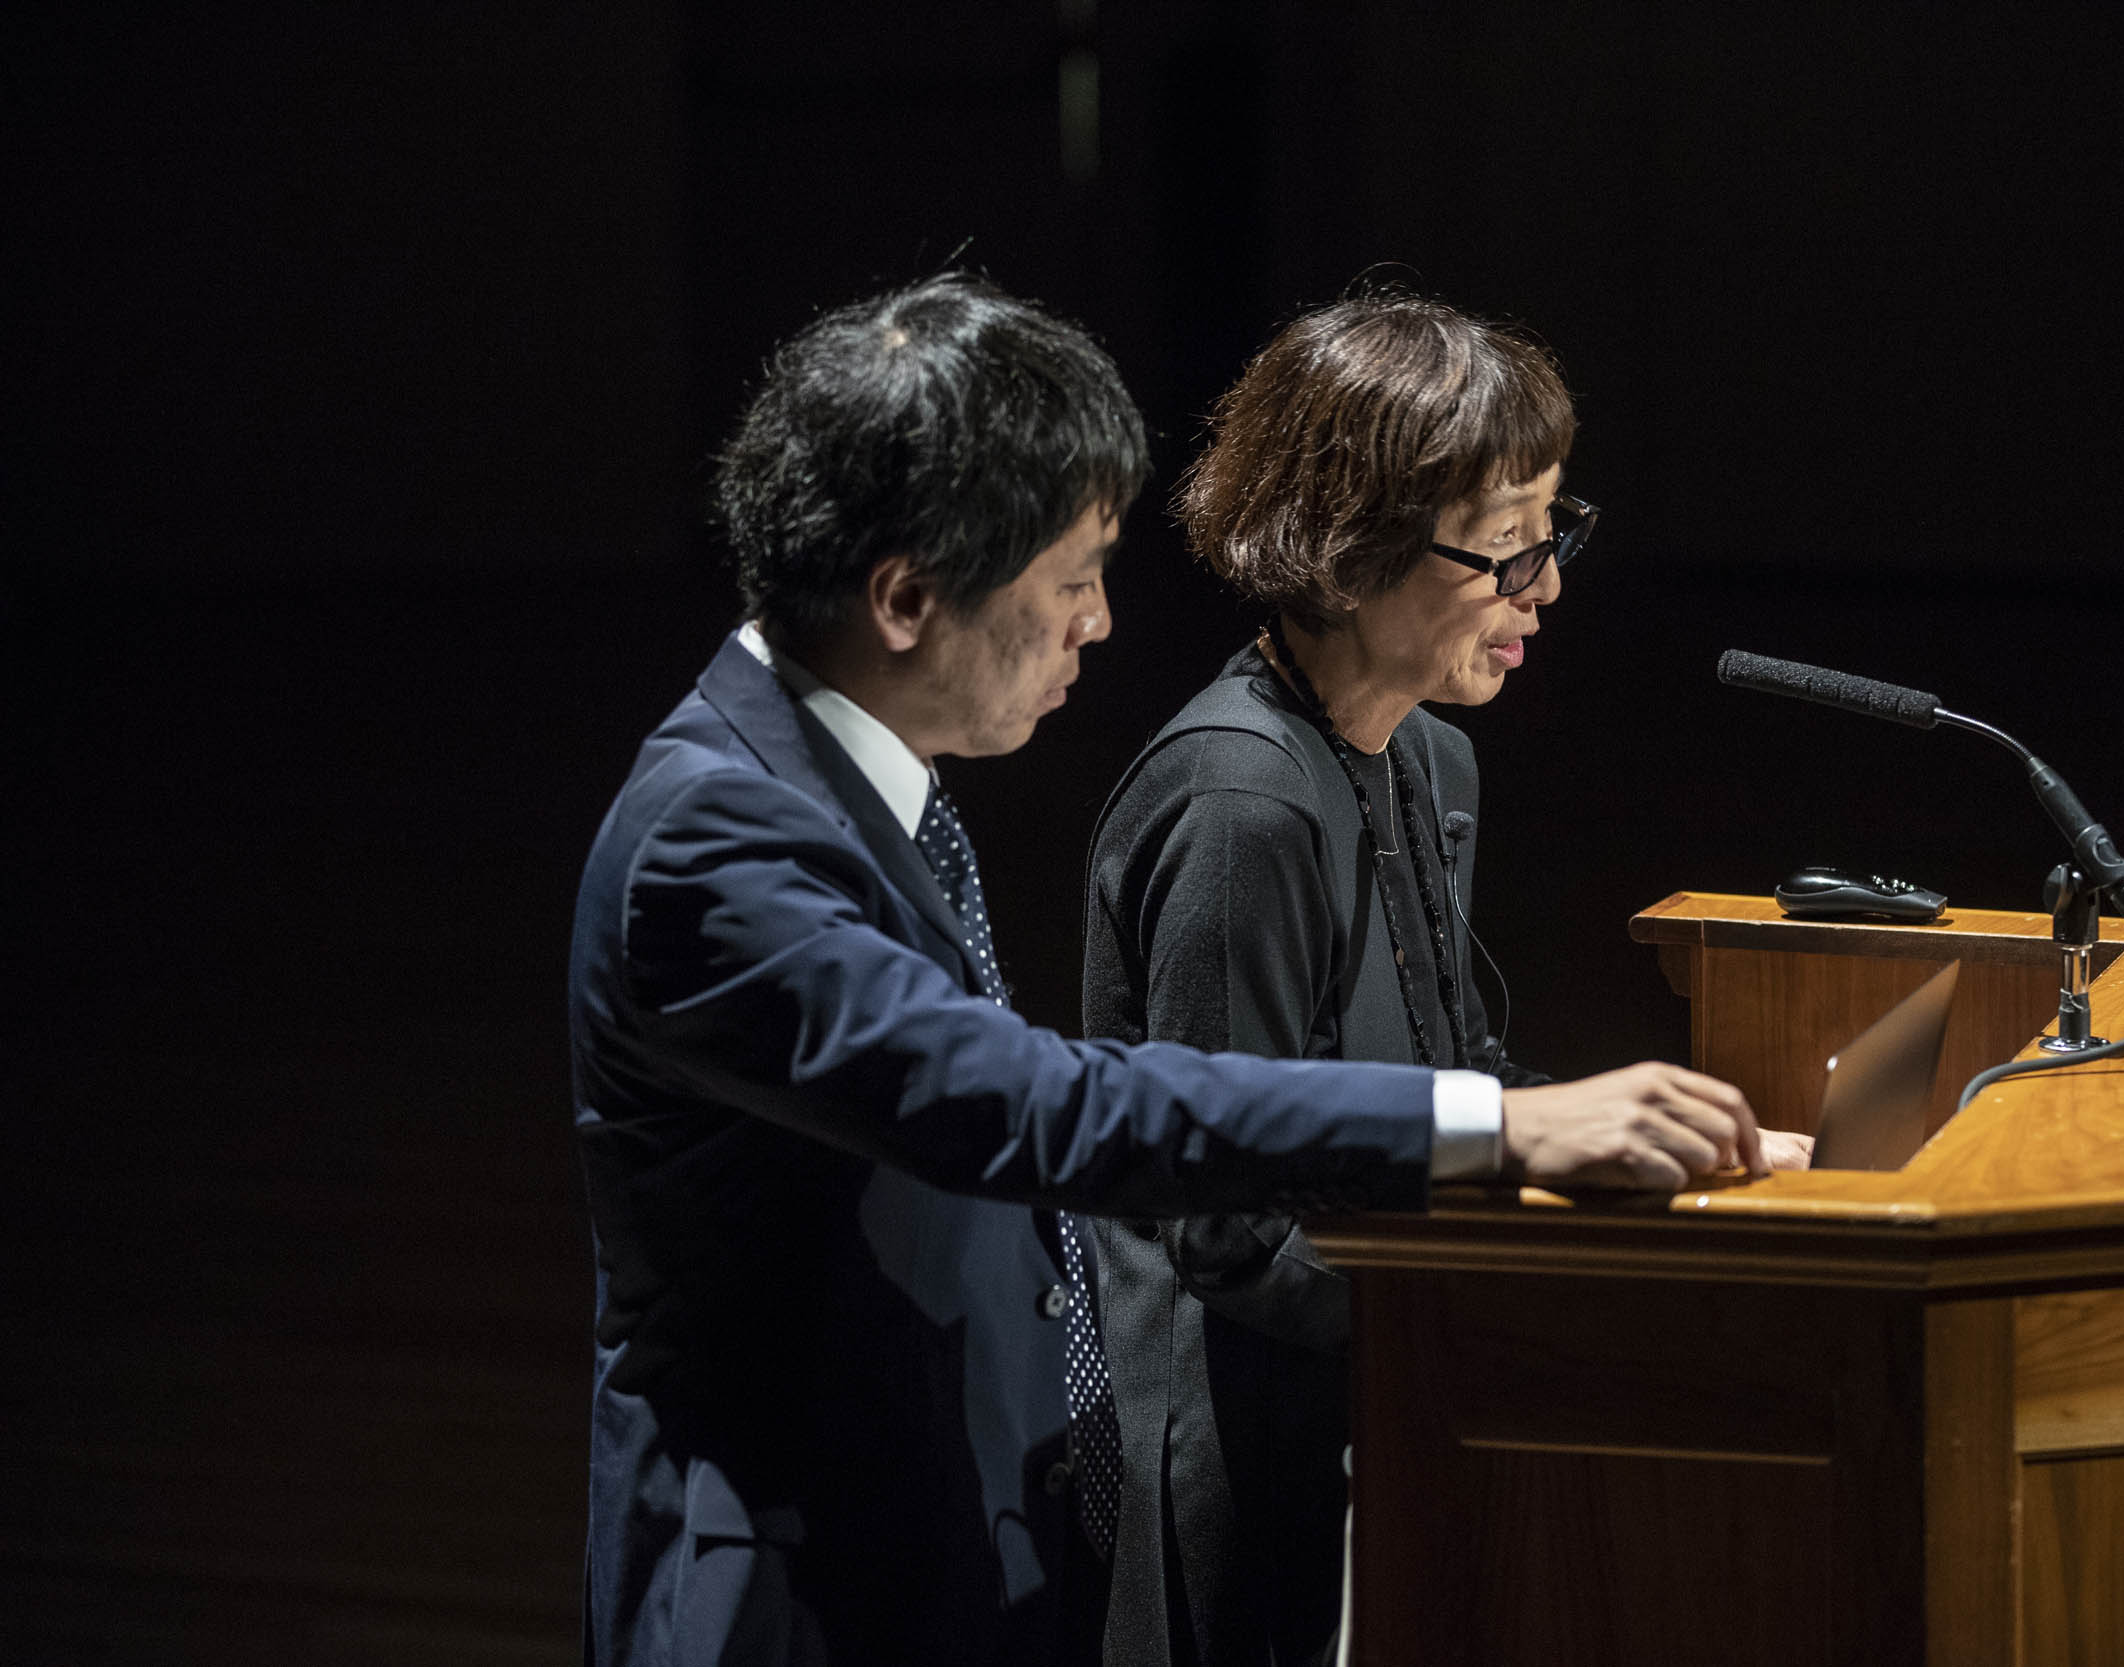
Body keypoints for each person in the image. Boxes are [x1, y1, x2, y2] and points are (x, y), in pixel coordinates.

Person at [570, 274, 1769, 1667]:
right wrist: (1498, 1132)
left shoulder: (851, 791)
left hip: (944, 1533)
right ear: (905, 596)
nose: (1101, 622)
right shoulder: (714, 842)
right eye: (1071, 579)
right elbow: (1032, 1108)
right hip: (792, 1591)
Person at [1081, 293, 1810, 1667]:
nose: (1549, 589)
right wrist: (1515, 1304)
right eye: (1508, 553)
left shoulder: (1425, 756)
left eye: (1556, 535)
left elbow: (1451, 1082)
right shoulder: (1241, 808)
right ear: (1348, 551)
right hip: (1247, 1464)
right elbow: (1229, 1235)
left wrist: (1656, 1159)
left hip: (1383, 1407)